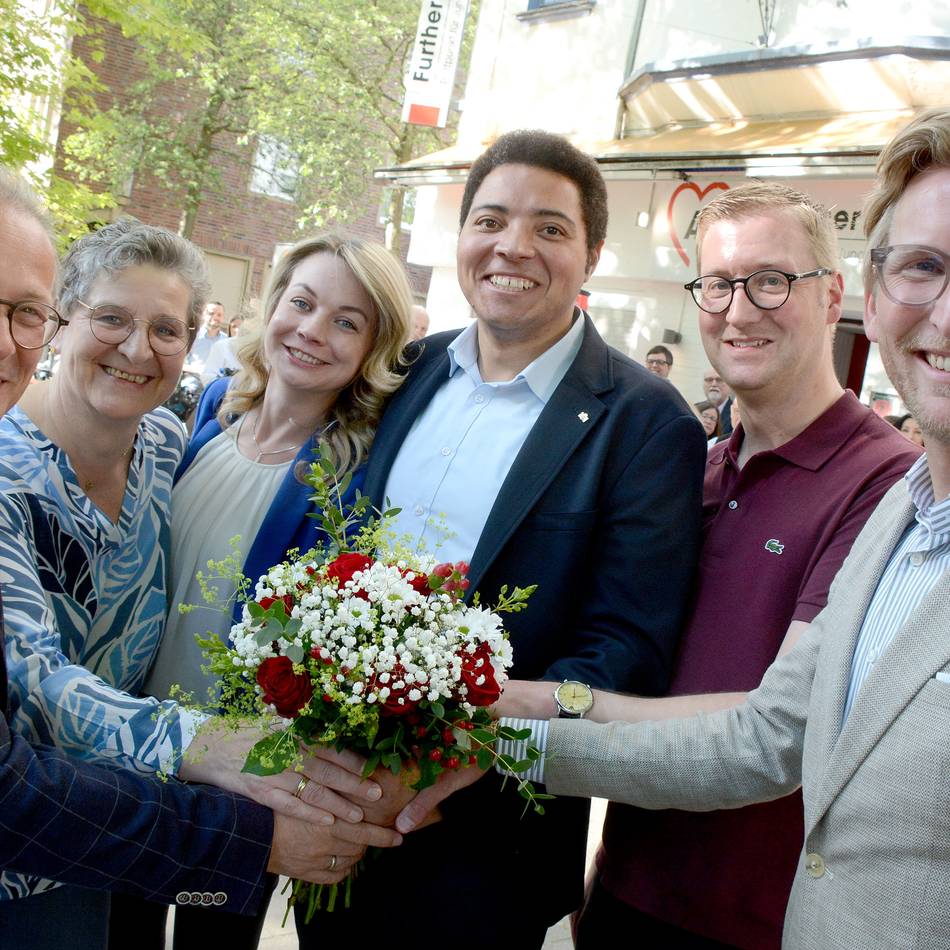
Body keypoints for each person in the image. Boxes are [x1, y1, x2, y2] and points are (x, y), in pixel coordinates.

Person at [400, 106, 950, 950]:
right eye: (717, 285)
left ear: (837, 298)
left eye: (772, 281)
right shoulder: (697, 467)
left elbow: (770, 729)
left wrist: (520, 717)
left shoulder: (882, 486)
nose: (740, 310)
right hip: (631, 891)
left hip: (756, 920)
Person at [298, 129, 707, 949]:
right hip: (335, 812)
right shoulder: (404, 372)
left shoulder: (645, 422)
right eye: (490, 220)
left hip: (486, 851)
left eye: (550, 228)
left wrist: (471, 743)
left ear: (590, 256)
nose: (512, 246)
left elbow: (626, 646)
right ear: (461, 238)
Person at [0, 171, 401, 947]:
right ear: (60, 322)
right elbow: (34, 680)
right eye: (110, 318)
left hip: (159, 813)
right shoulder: (11, 472)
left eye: (166, 329)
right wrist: (209, 744)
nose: (136, 349)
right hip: (40, 838)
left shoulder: (162, 442)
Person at [142, 233, 413, 947]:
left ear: (372, 348)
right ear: (273, 307)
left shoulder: (350, 482)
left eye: (347, 322)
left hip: (237, 781)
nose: (313, 331)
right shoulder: (212, 419)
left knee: (208, 935)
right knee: (122, 925)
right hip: (142, 748)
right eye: (302, 303)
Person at [187, 300, 226, 366]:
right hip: (193, 372)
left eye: (219, 315)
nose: (215, 317)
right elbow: (183, 361)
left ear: (223, 318)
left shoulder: (226, 340)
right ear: (203, 315)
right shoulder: (192, 335)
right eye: (211, 313)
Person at [703, 366, 734, 437]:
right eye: (709, 380)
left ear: (729, 385)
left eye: (719, 380)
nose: (714, 384)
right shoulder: (694, 409)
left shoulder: (737, 413)